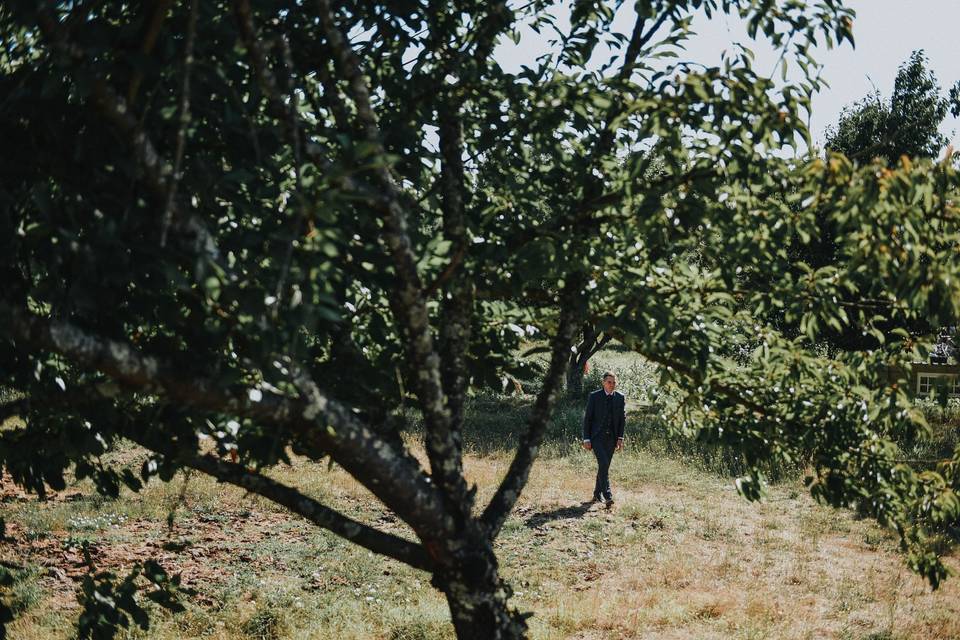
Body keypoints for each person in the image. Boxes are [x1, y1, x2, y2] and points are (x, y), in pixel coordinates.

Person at [581, 371, 625, 506]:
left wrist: (620, 437)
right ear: (603, 383)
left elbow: (622, 419)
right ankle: (608, 495)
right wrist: (586, 438)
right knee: (604, 464)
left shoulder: (620, 397)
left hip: (612, 438)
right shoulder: (594, 396)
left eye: (614, 382)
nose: (612, 385)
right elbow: (588, 418)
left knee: (603, 466)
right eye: (609, 382)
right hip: (596, 437)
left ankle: (596, 494)